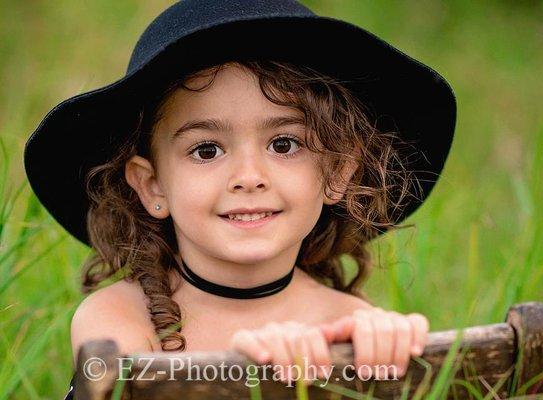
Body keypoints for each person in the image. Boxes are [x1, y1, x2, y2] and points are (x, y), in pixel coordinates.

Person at [23, 1, 456, 398]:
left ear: (338, 171)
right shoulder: (117, 318)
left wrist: (397, 350)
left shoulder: (348, 322)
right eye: (206, 150)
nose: (248, 178)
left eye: (284, 145)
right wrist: (248, 369)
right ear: (152, 186)